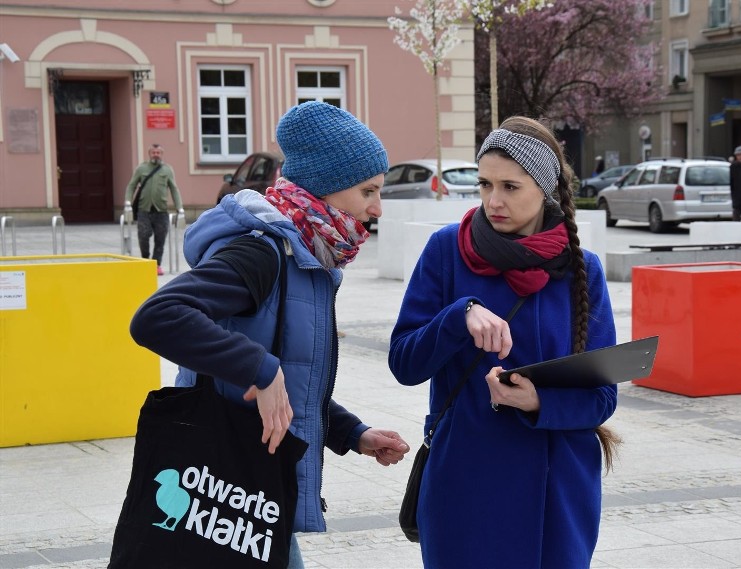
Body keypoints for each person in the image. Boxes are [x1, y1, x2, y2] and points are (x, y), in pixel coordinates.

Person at [128, 101, 410, 568]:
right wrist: (259, 368)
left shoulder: (307, 256)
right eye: (368, 191)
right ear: (326, 187)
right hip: (224, 483)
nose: (376, 208)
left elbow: (291, 367)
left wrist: (352, 433)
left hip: (254, 484)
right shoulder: (262, 253)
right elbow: (158, 316)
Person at [388, 116, 621, 569]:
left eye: (510, 187)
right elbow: (404, 363)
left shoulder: (582, 269)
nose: (493, 201)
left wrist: (539, 402)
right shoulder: (446, 251)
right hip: (466, 483)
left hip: (560, 488)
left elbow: (602, 398)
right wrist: (458, 316)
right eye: (484, 184)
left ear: (544, 187)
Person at [124, 143, 184, 276]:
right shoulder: (142, 168)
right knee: (143, 236)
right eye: (153, 152)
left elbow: (174, 189)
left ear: (162, 154)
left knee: (160, 239)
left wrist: (180, 208)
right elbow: (131, 186)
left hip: (161, 210)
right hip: (143, 210)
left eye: (158, 153)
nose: (156, 155)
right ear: (149, 153)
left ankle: (157, 265)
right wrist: (128, 202)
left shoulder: (167, 170)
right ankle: (146, 261)